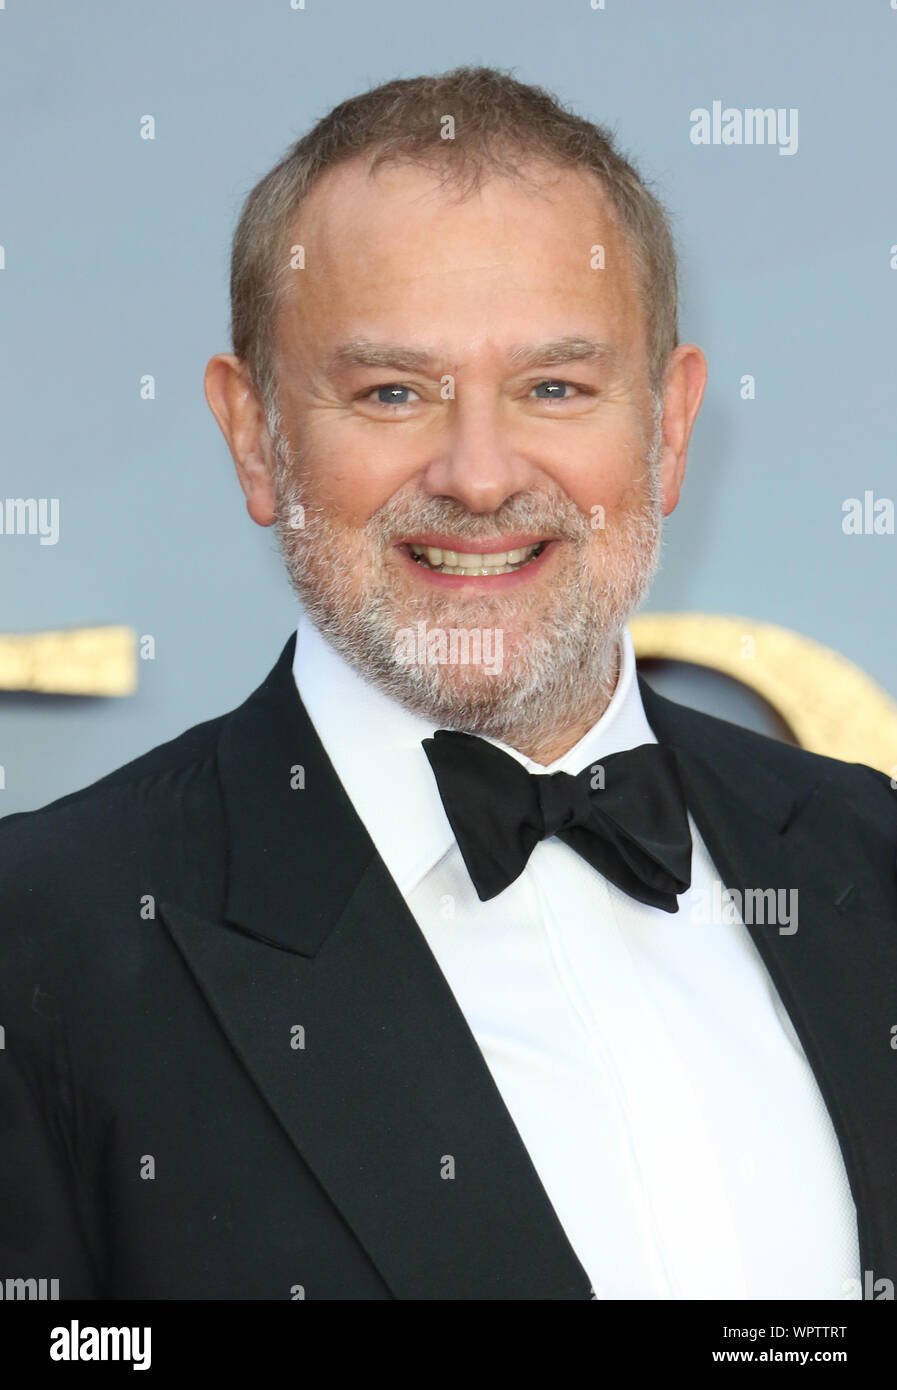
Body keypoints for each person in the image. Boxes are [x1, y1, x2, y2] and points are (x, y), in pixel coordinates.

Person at [1, 65, 895, 1302]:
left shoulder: (872, 862)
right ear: (254, 434)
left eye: (554, 387)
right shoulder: (43, 940)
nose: (479, 474)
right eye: (393, 393)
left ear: (670, 427)